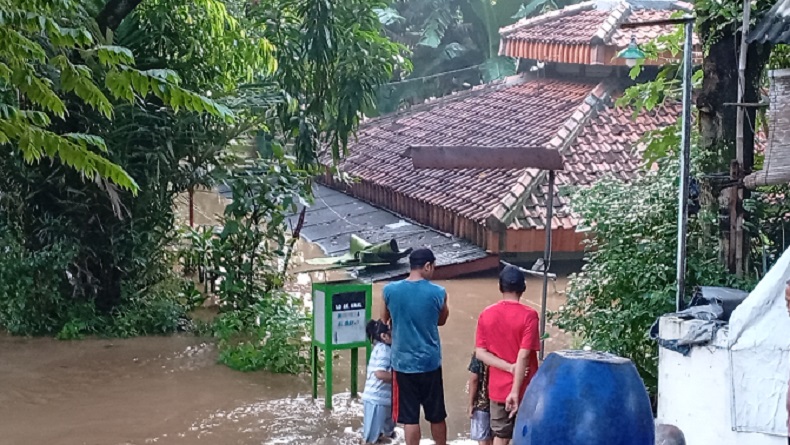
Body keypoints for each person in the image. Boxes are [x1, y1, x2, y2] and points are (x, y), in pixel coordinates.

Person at [381, 248, 450, 445]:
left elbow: (384, 320)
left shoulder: (389, 291)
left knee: (410, 417)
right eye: (433, 267)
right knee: (436, 413)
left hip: (403, 363)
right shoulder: (439, 292)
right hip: (430, 362)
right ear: (427, 266)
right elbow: (442, 321)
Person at [475, 265, 540, 445]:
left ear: (500, 287)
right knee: (526, 433)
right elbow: (524, 355)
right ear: (523, 287)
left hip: (497, 388)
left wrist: (507, 368)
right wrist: (515, 391)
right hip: (526, 387)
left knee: (501, 435)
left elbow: (480, 353)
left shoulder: (486, 314)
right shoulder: (530, 316)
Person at [362, 319, 396, 445]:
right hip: (376, 400)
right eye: (393, 331)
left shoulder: (387, 348)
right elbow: (380, 374)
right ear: (384, 336)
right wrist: (403, 378)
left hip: (385, 400)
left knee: (385, 436)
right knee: (370, 440)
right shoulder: (383, 349)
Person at [468, 353, 493, 445]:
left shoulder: (479, 354)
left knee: (482, 437)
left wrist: (470, 404)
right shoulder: (502, 350)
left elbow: (474, 380)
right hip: (500, 401)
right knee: (499, 436)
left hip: (482, 403)